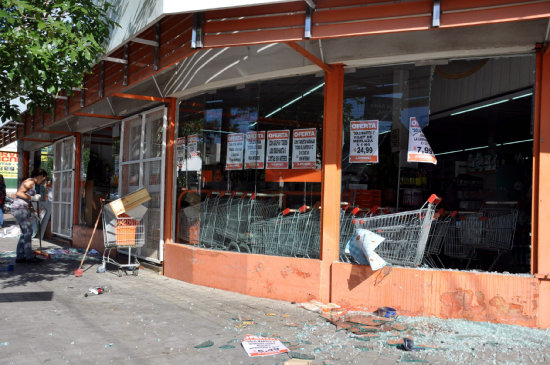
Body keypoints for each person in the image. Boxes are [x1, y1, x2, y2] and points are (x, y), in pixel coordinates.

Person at [12, 169, 48, 264]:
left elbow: (29, 202)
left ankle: (20, 256)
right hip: (20, 209)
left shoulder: (33, 184)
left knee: (25, 232)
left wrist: (35, 213)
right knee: (28, 232)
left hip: (22, 208)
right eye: (43, 178)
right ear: (40, 176)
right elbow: (19, 193)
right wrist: (32, 197)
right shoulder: (30, 182)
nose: (43, 180)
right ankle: (29, 257)